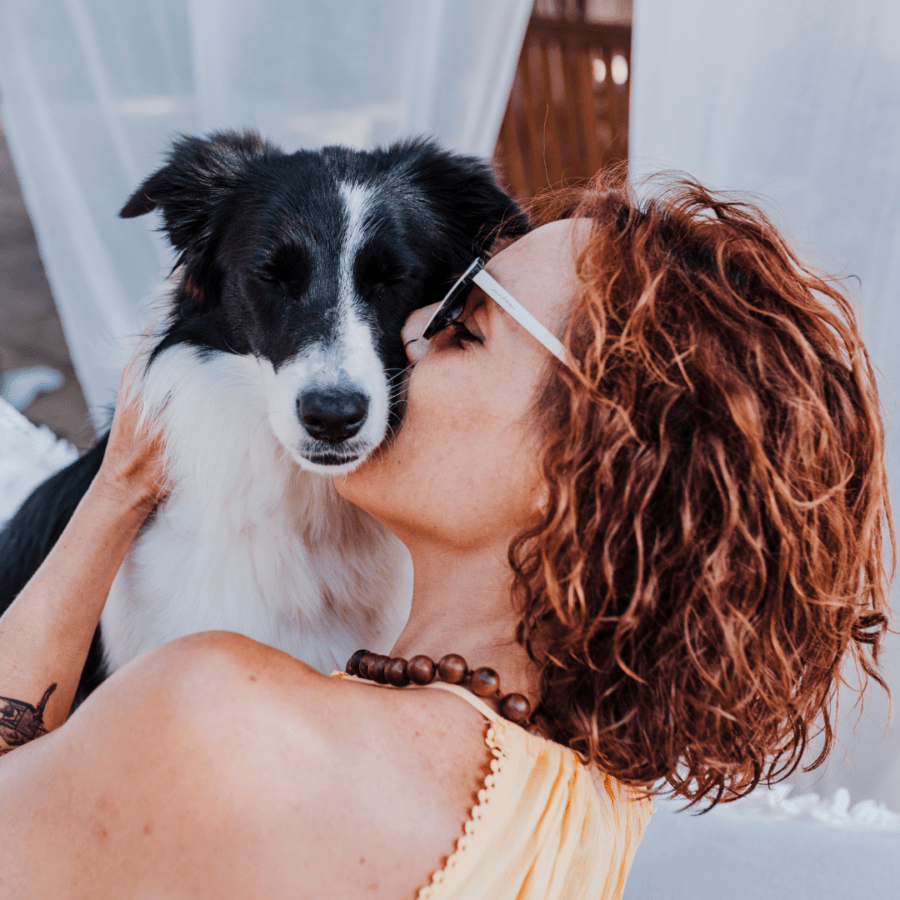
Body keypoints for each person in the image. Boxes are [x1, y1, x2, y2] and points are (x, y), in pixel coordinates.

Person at [0, 174, 891, 899]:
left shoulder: (220, 721)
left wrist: (116, 492)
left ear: (583, 460)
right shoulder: (590, 805)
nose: (408, 330)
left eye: (465, 327)